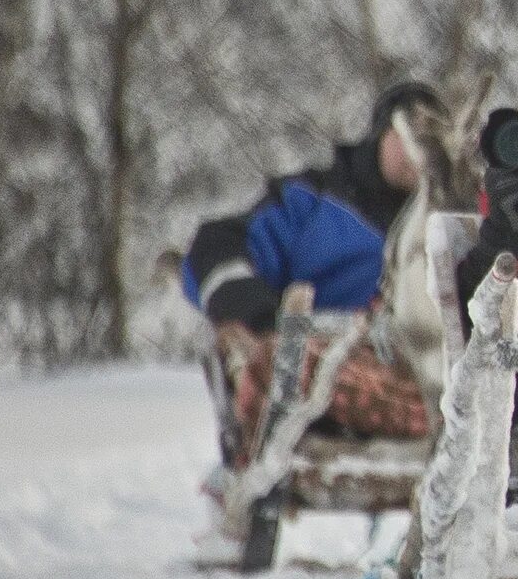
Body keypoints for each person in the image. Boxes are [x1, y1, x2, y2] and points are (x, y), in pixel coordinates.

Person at [184, 80, 445, 454]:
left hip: (417, 377)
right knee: (278, 364)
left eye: (430, 144)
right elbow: (217, 247)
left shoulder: (450, 217)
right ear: (378, 137)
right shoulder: (313, 202)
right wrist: (259, 315)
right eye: (405, 137)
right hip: (309, 360)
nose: (417, 154)